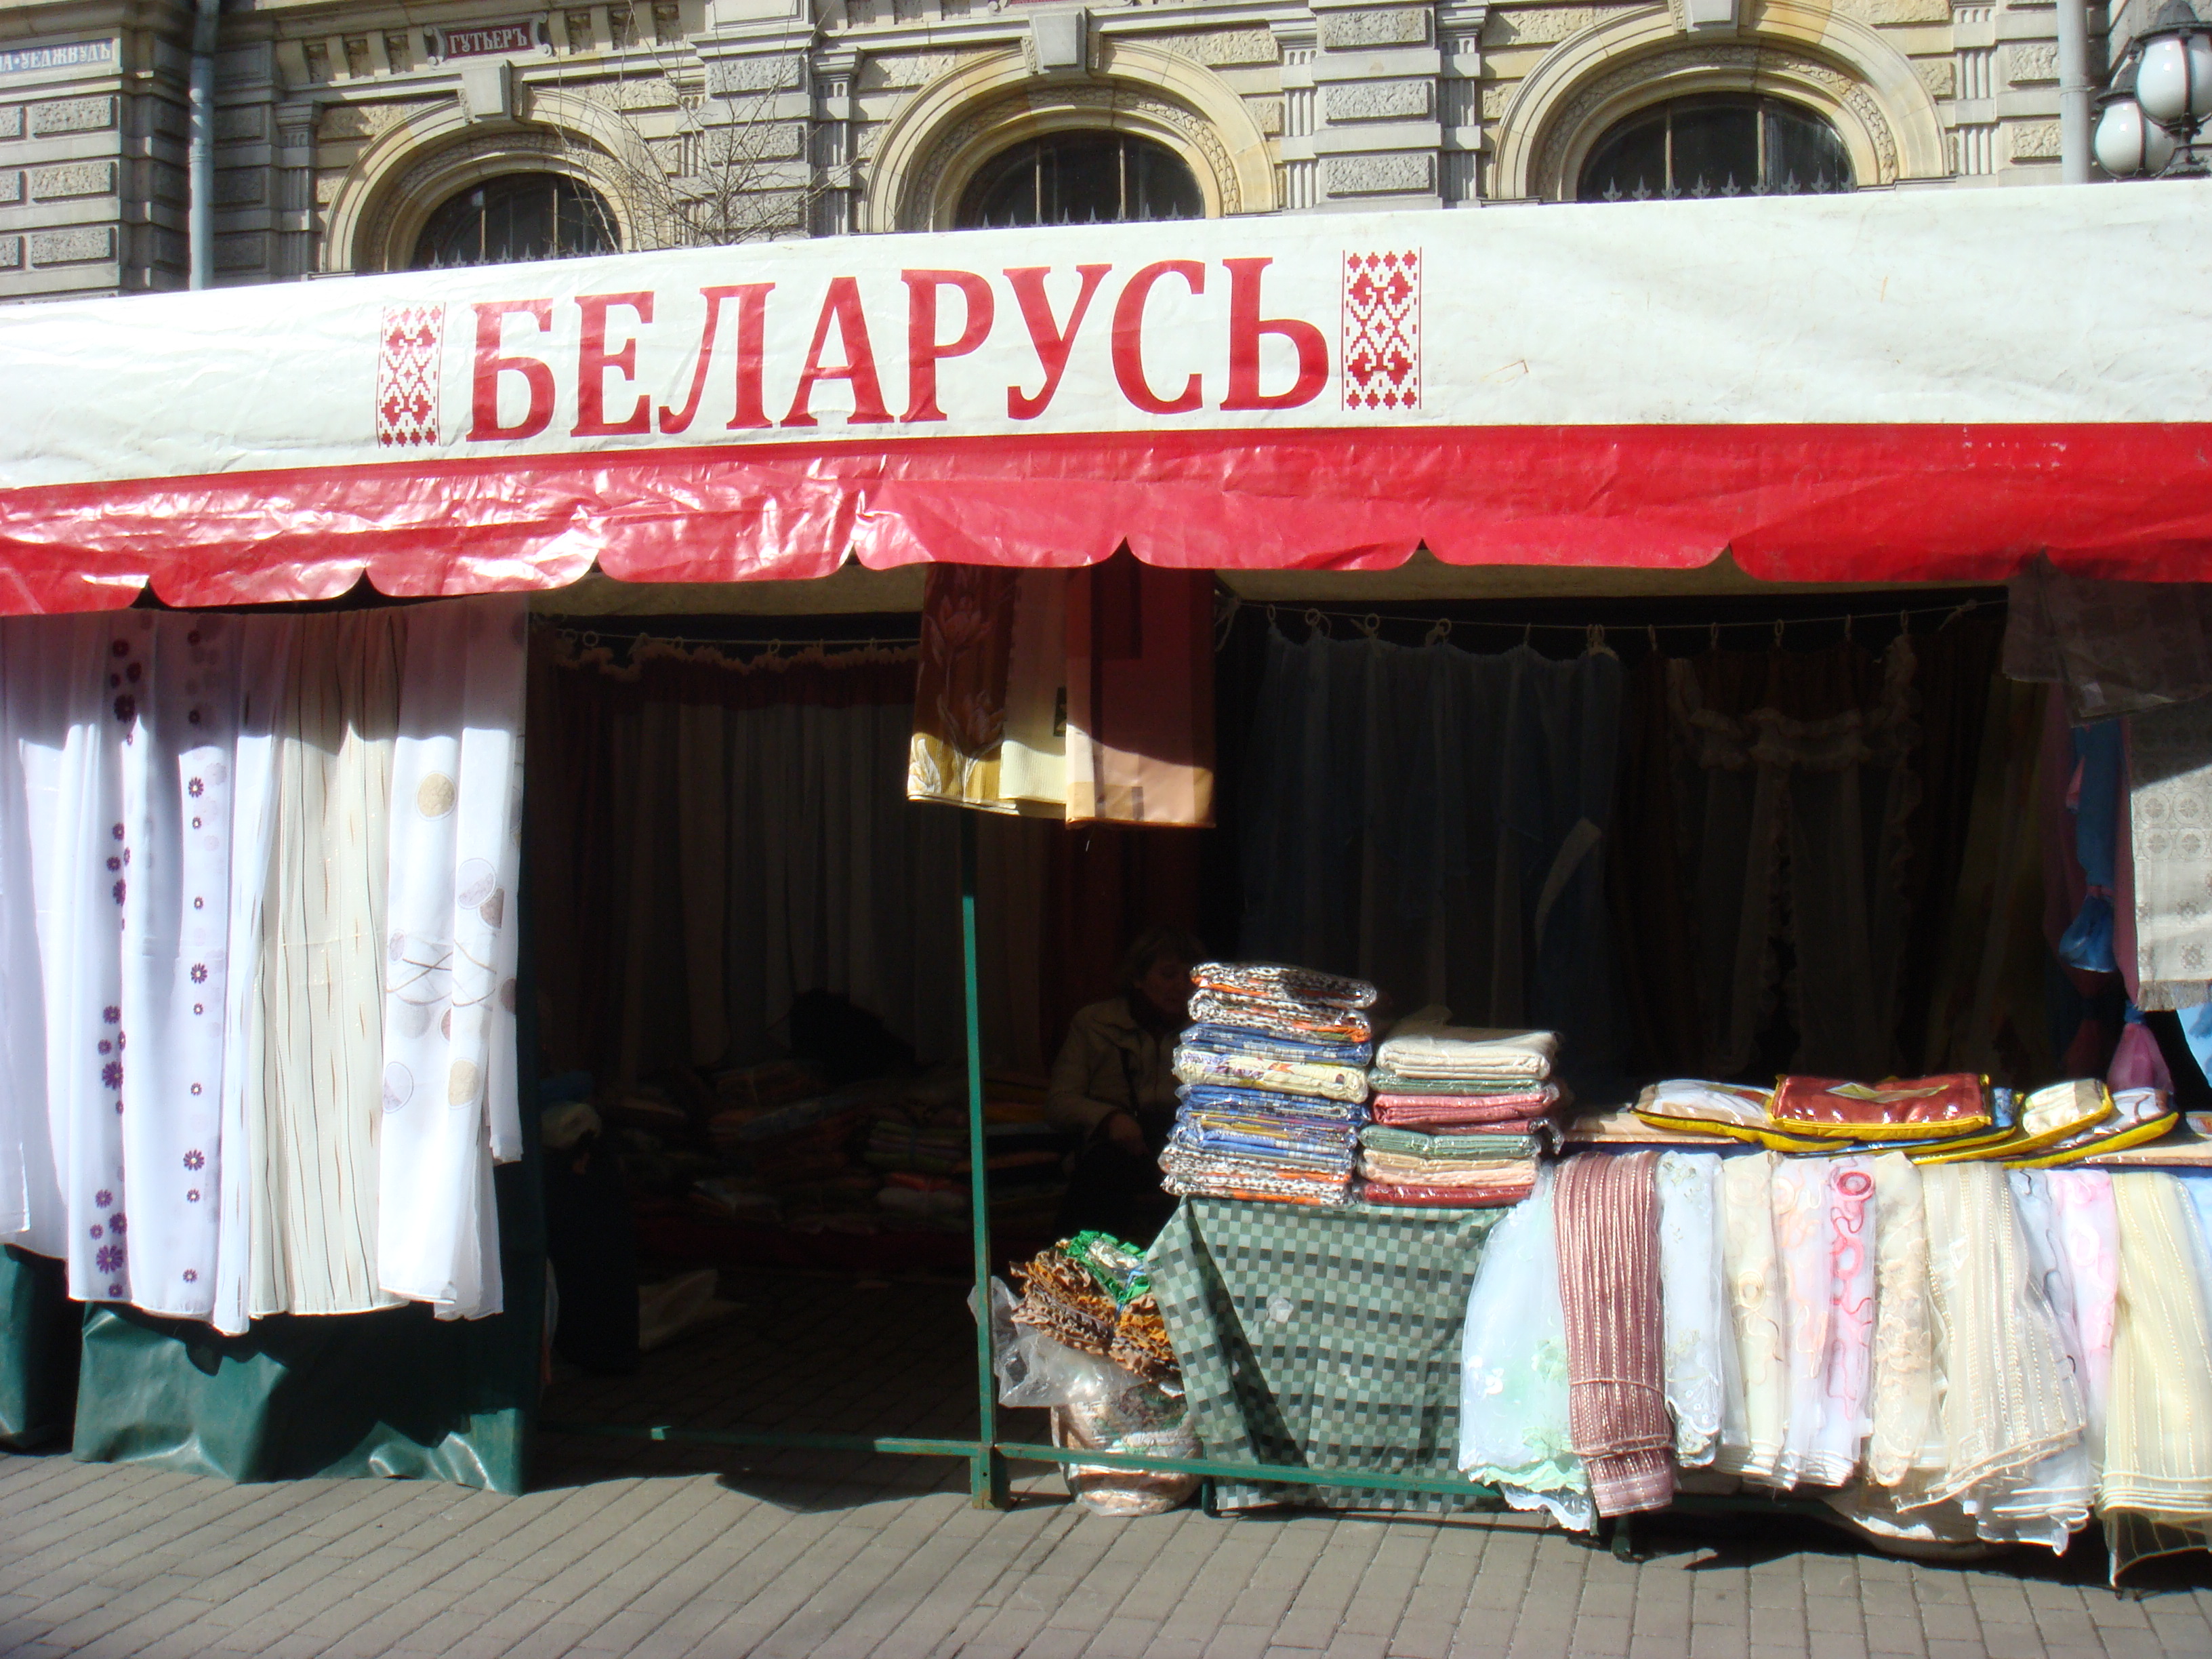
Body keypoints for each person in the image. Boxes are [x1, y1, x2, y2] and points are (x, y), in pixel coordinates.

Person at [1048, 926, 1202, 1242]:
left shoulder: (1208, 1031)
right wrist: (1109, 1119)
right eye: (1168, 975)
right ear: (1138, 978)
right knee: (1105, 1171)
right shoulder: (1095, 1024)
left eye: (1190, 977)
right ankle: (1079, 1265)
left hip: (1183, 1146)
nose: (1180, 986)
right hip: (1114, 1149)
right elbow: (1059, 1103)